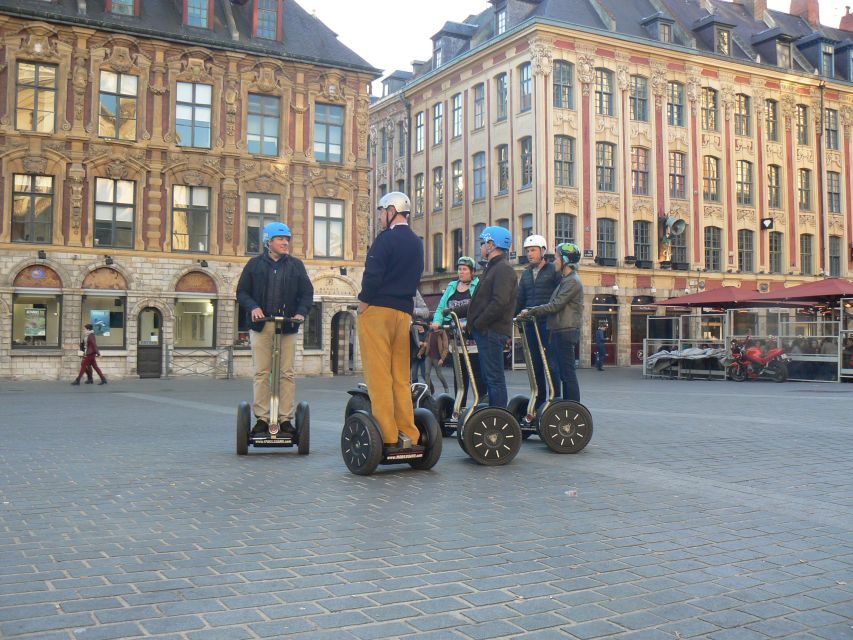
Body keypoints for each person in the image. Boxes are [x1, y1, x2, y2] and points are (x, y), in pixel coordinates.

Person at [357, 191, 424, 450]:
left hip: (379, 311)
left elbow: (373, 274)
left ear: (391, 211)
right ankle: (409, 432)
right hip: (403, 313)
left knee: (379, 375)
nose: (380, 217)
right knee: (400, 376)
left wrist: (364, 303)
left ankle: (386, 434)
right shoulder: (416, 242)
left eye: (382, 212)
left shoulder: (385, 240)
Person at [237, 221, 313, 436]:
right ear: (268, 242)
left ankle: (285, 419)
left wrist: (300, 312)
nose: (285, 243)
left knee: (286, 374)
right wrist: (253, 307)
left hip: (287, 326)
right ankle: (262, 419)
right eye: (280, 239)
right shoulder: (254, 265)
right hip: (262, 326)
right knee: (262, 372)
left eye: (287, 239)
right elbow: (242, 293)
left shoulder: (296, 266)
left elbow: (307, 293)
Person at [519, 243, 583, 402]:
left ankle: (572, 408)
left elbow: (555, 305)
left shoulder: (572, 281)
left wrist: (531, 310)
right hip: (559, 331)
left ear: (565, 260)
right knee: (564, 373)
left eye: (557, 258)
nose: (555, 262)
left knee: (567, 374)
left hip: (566, 331)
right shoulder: (566, 280)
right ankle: (566, 407)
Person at [467, 227, 518, 409]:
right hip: (487, 331)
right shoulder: (492, 268)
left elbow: (499, 302)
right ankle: (494, 414)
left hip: (492, 331)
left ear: (491, 244)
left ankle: (498, 417)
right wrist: (452, 311)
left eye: (483, 243)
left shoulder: (503, 269)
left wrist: (479, 323)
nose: (481, 247)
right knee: (489, 377)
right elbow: (479, 302)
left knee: (494, 378)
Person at [516, 234, 561, 408]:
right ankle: (540, 398)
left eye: (533, 250)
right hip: (529, 324)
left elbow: (558, 298)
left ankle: (555, 398)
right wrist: (515, 315)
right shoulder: (526, 273)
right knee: (535, 363)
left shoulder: (553, 271)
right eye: (528, 250)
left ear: (542, 251)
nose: (530, 254)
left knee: (550, 362)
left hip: (547, 323)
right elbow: (520, 298)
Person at [432, 256, 482, 405]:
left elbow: (479, 308)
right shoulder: (452, 286)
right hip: (456, 341)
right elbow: (442, 307)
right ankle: (459, 408)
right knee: (460, 378)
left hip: (473, 341)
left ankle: (481, 407)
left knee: (478, 377)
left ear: (472, 272)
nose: (461, 272)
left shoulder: (478, 286)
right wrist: (436, 322)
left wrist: (466, 324)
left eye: (464, 269)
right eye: (459, 269)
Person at [419, 326, 449, 393]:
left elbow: (446, 347)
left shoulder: (442, 333)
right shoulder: (430, 332)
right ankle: (428, 390)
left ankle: (446, 387)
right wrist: (420, 353)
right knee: (426, 373)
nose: (431, 324)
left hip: (437, 358)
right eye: (431, 323)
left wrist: (442, 359)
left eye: (432, 323)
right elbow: (425, 344)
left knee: (439, 374)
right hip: (429, 356)